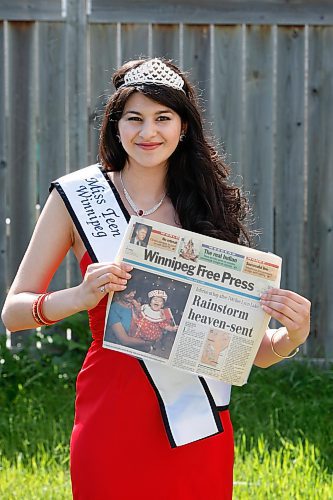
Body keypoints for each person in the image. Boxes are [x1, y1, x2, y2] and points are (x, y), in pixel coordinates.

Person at [1, 57, 311, 499]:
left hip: (196, 423)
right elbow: (13, 314)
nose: (148, 133)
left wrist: (290, 336)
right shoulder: (77, 198)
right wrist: (79, 296)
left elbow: (248, 352)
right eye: (135, 119)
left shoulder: (207, 207)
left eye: (163, 118)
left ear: (183, 127)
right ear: (115, 125)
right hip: (111, 416)